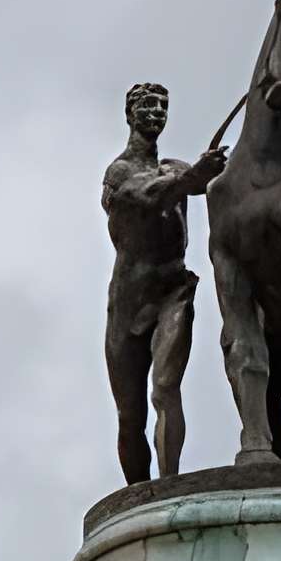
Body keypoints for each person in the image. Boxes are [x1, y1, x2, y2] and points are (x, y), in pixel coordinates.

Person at [102, 83, 226, 482]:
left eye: (162, 106)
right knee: (130, 415)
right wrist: (194, 177)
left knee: (166, 388)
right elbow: (151, 196)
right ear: (131, 114)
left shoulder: (177, 167)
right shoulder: (120, 172)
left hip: (172, 292)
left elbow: (209, 184)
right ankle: (139, 494)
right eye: (148, 105)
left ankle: (169, 483)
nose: (156, 112)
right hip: (128, 302)